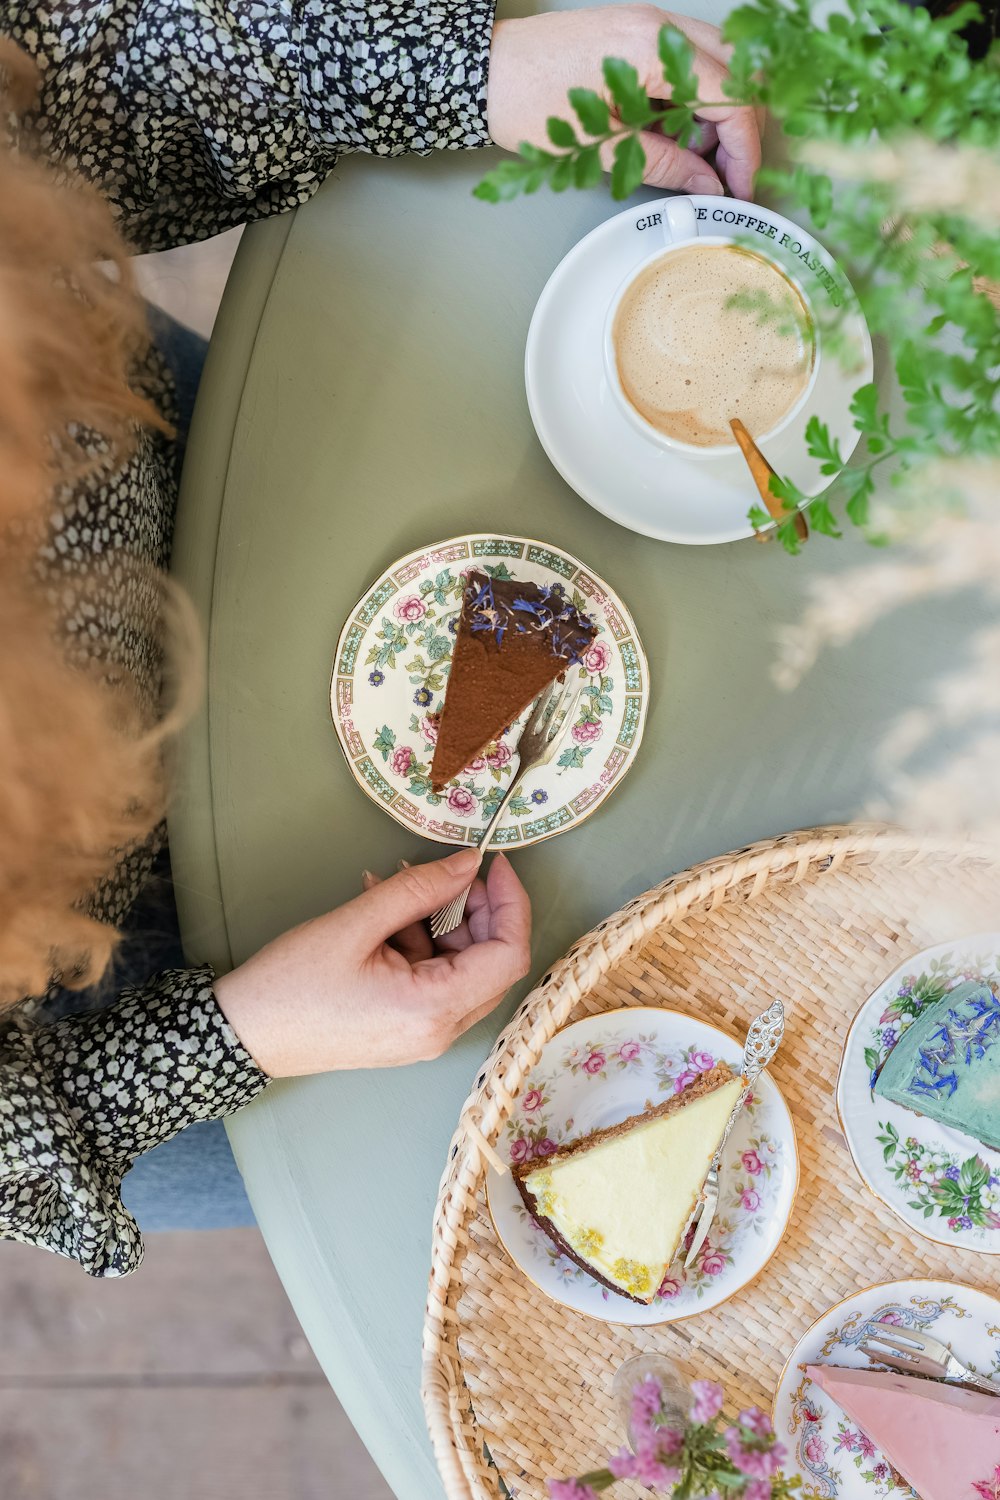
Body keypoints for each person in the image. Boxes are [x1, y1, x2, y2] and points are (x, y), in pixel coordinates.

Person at [0, 4, 760, 1277]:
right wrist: (241, 1035)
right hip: (106, 1020)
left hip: (141, 435)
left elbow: (62, 83)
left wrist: (472, 71)